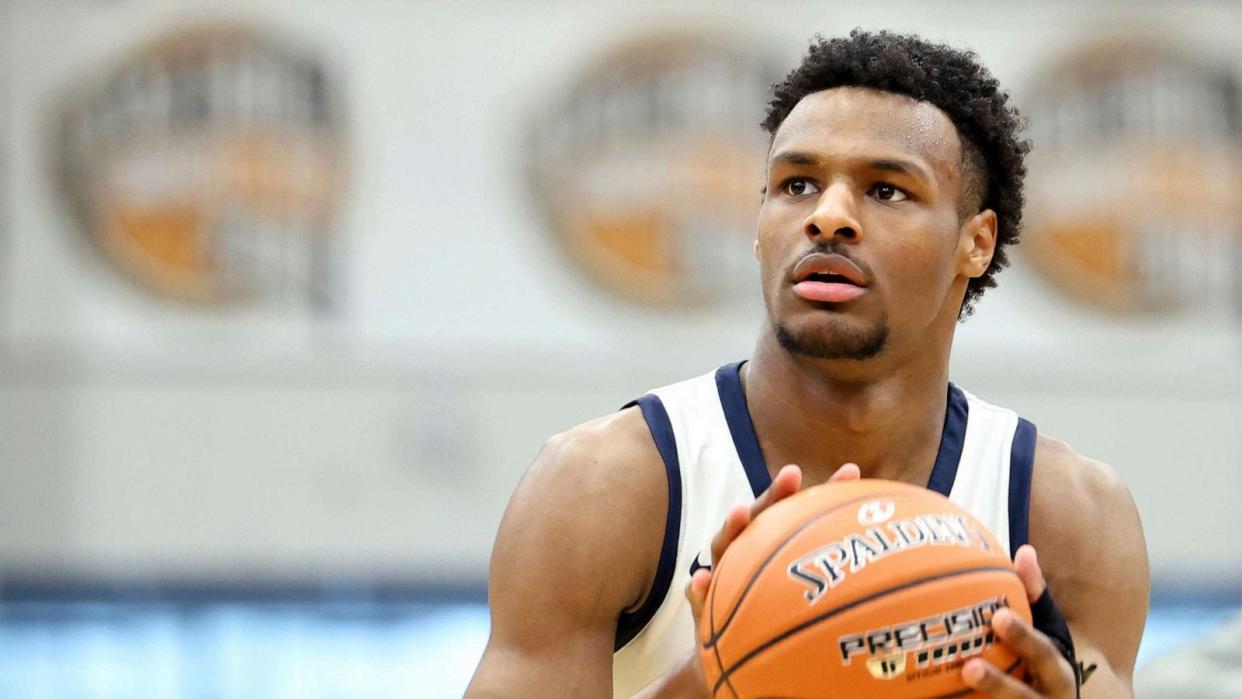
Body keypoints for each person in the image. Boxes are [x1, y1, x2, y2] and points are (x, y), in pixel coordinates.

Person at [466, 30, 1149, 698]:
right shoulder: (607, 486)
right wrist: (710, 680)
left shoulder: (1064, 512)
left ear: (976, 242)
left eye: (885, 190)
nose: (828, 216)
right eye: (796, 184)